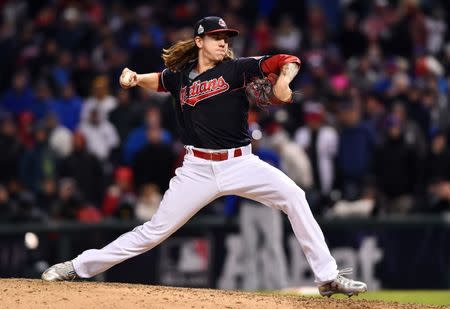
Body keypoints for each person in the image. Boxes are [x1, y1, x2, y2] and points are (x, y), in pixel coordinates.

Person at [42, 16, 367, 297]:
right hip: (196, 169)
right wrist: (136, 78)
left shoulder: (237, 70)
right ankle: (77, 266)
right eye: (217, 38)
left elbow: (287, 58)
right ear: (199, 41)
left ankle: (327, 277)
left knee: (294, 196)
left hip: (241, 163)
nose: (223, 43)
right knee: (153, 232)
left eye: (226, 38)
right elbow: (162, 81)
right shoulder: (181, 76)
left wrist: (284, 80)